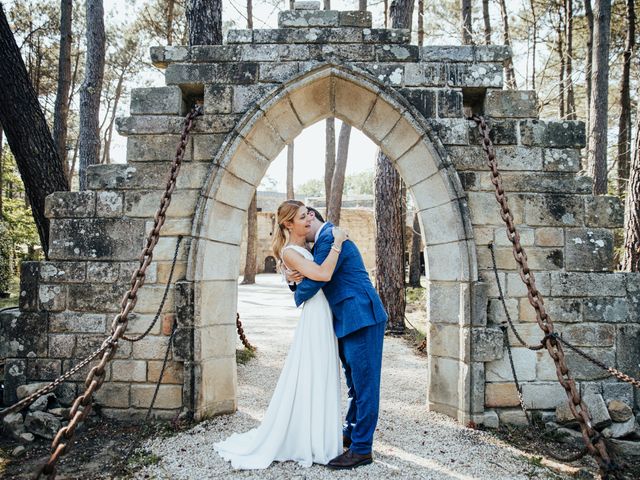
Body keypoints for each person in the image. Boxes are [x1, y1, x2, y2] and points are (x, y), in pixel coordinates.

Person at [214, 200, 348, 469]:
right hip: (314, 316)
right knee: (313, 371)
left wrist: (291, 280)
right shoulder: (290, 253)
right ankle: (308, 440)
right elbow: (323, 273)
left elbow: (309, 278)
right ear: (289, 224)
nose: (309, 219)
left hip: (322, 312)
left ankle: (317, 435)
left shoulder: (304, 248)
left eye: (308, 215)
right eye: (302, 217)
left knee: (321, 371)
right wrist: (338, 242)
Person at [288, 207, 388, 470]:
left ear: (312, 217)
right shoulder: (324, 240)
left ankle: (362, 449)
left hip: (362, 316)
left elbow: (316, 280)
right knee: (354, 383)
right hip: (347, 318)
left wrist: (295, 291)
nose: (303, 228)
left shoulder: (331, 236)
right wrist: (292, 276)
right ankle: (351, 432)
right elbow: (311, 271)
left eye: (304, 219)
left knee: (365, 385)